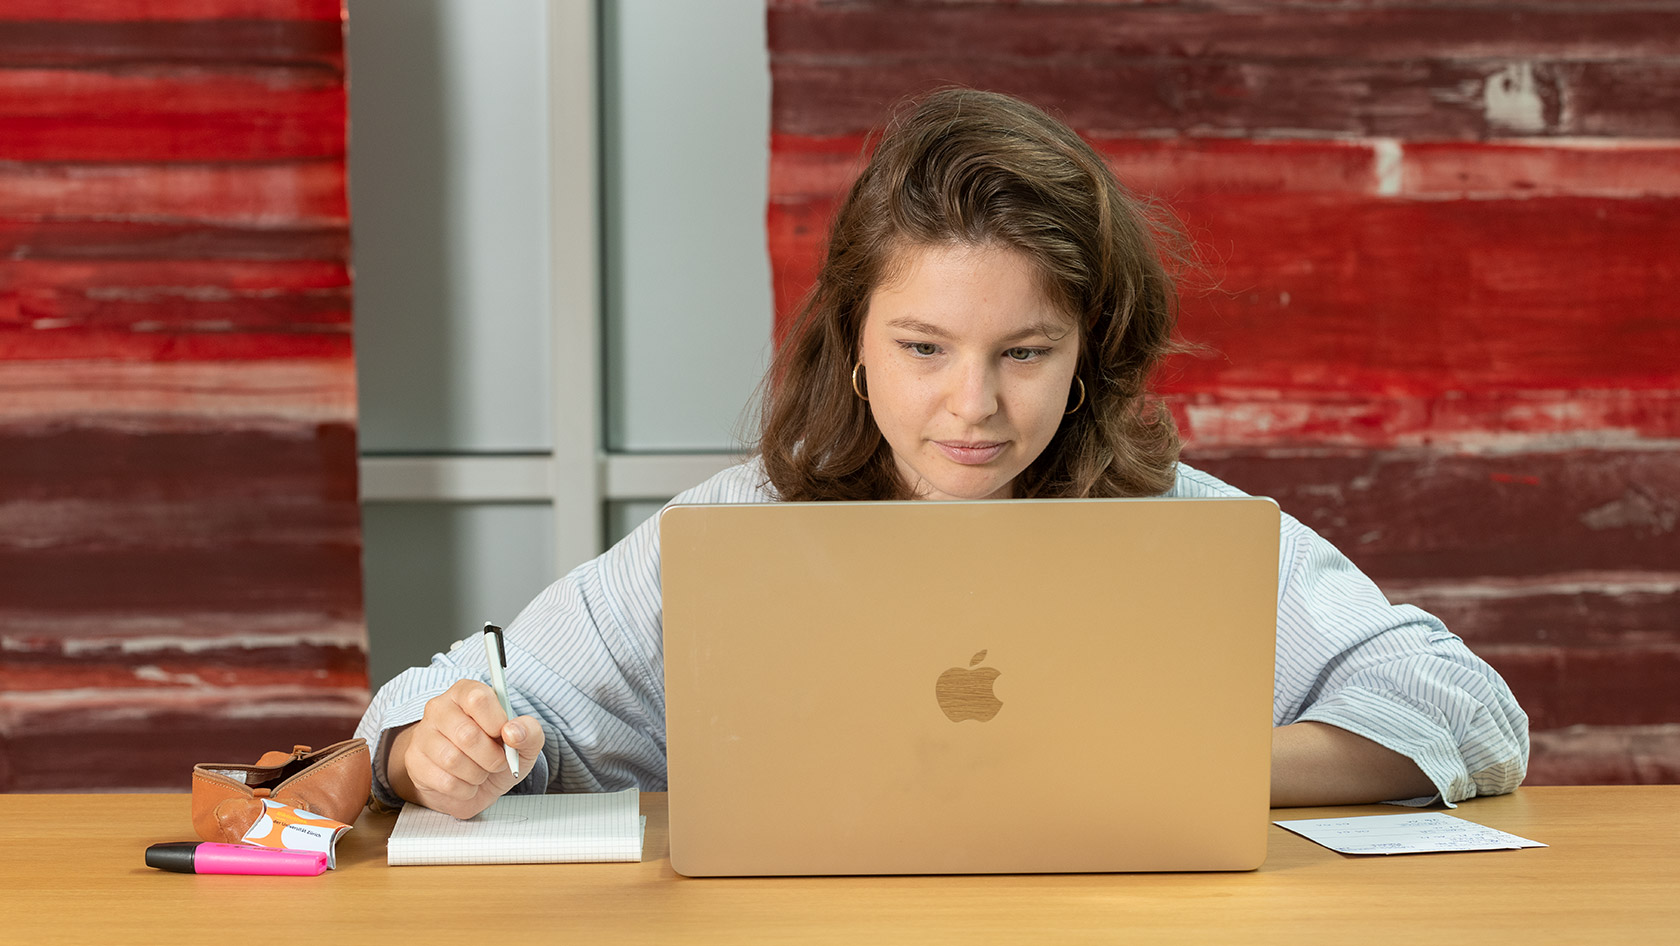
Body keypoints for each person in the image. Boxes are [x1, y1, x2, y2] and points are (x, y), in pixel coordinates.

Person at [356, 89, 1528, 820]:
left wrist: (1163, 768)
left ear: (1087, 352)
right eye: (924, 347)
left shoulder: (1185, 527)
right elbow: (439, 709)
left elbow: (1467, 711)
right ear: (856, 344)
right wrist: (432, 753)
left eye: (1025, 352)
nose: (974, 407)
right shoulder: (734, 532)